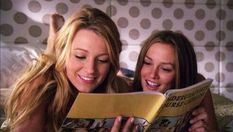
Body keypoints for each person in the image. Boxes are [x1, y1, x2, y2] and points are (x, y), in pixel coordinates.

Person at [3, 7, 133, 132]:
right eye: (80, 56)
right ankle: (52, 46)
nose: (90, 70)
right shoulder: (39, 87)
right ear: (64, 52)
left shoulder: (120, 88)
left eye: (103, 60)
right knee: (45, 68)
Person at [130, 30, 219, 131]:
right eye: (147, 62)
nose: (152, 74)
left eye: (165, 69)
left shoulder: (198, 82)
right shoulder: (124, 86)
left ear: (182, 74)